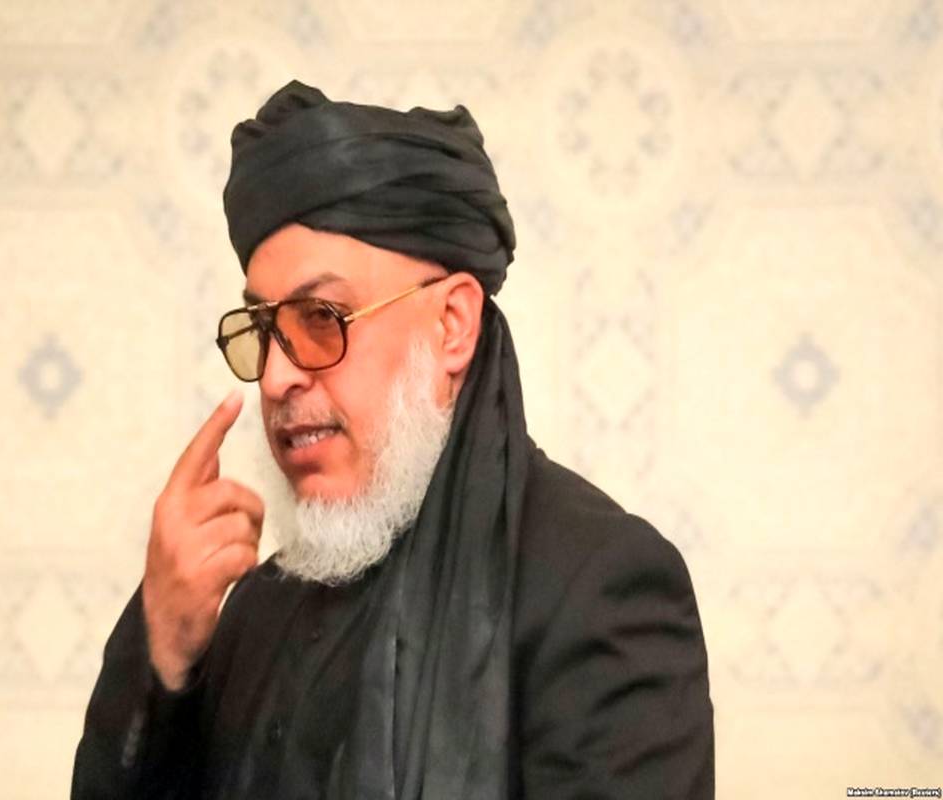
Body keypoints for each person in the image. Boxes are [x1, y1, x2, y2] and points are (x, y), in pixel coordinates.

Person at [71, 79, 714, 799]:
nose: (277, 377)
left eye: (322, 318)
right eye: (263, 328)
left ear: (452, 326)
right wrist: (161, 648)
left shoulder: (598, 589)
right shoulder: (257, 609)